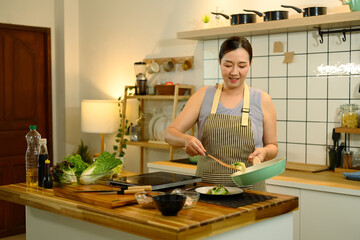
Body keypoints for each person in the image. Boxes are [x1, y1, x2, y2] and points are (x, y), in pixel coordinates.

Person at [164, 36, 278, 191]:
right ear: (219, 62)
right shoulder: (204, 95)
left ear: (250, 64)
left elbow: (273, 146)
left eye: (242, 66)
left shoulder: (262, 99)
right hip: (208, 190)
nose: (234, 72)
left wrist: (264, 152)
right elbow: (170, 134)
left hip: (250, 192)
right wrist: (186, 140)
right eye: (228, 65)